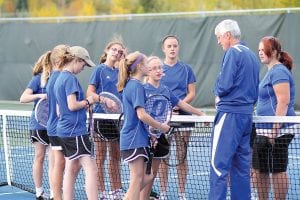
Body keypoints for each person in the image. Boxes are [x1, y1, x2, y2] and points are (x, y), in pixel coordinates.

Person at [140, 56, 206, 199]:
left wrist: (201, 114)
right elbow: (139, 113)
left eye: (159, 68)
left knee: (151, 175)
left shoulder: (165, 90)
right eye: (154, 68)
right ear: (148, 71)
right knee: (143, 175)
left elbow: (182, 104)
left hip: (160, 137)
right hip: (144, 138)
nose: (158, 70)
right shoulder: (142, 89)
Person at [210, 19, 260, 200]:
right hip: (246, 116)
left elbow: (224, 84)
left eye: (219, 37)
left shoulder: (232, 52)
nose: (218, 42)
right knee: (241, 167)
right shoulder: (252, 55)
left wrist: (216, 92)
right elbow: (256, 88)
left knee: (219, 166)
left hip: (229, 115)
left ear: (227, 35)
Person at [117, 51, 170, 200]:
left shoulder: (132, 85)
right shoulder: (136, 86)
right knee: (137, 179)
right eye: (147, 64)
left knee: (148, 176)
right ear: (140, 66)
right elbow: (141, 115)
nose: (149, 67)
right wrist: (160, 127)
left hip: (138, 137)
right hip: (133, 138)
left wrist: (151, 135)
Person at [252, 36, 296, 200]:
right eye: (259, 50)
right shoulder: (271, 72)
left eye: (264, 50)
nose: (260, 53)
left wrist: (274, 131)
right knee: (261, 169)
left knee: (277, 169)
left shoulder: (279, 71)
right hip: (264, 129)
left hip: (278, 130)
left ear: (275, 52)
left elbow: (283, 102)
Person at [53, 46, 99, 200]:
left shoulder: (59, 78)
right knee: (91, 169)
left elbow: (61, 109)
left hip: (64, 131)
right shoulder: (70, 79)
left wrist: (82, 107)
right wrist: (88, 100)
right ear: (76, 60)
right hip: (75, 132)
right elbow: (72, 105)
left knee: (71, 168)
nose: (83, 68)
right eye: (83, 64)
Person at [158, 35, 197, 200]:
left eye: (175, 45)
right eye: (169, 46)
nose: (172, 48)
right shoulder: (157, 68)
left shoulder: (187, 69)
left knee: (182, 156)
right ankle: (163, 193)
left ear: (178, 47)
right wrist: (167, 108)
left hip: (184, 117)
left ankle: (182, 194)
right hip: (162, 118)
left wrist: (178, 105)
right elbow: (154, 91)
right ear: (164, 49)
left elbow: (192, 93)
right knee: (163, 157)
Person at [86, 38, 125, 199]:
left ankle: (116, 191)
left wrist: (124, 62)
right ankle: (100, 192)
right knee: (100, 157)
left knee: (116, 157)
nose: (117, 53)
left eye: (120, 51)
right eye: (114, 49)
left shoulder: (122, 73)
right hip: (101, 119)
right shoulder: (99, 70)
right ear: (107, 51)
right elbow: (90, 93)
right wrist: (103, 100)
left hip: (118, 120)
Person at [44, 44, 79, 200]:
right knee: (61, 164)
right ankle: (58, 196)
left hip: (56, 127)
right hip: (59, 127)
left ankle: (59, 196)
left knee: (62, 164)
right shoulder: (60, 77)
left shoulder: (54, 77)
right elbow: (61, 107)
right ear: (60, 60)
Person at [20, 52, 51, 200]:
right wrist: (39, 95)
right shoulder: (37, 79)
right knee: (39, 156)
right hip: (38, 125)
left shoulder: (58, 78)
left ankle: (55, 191)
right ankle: (39, 192)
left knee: (55, 160)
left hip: (54, 125)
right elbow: (23, 98)